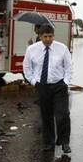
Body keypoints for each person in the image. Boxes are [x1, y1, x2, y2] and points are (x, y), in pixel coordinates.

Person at [23, 24, 72, 153]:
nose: (48, 39)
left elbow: (68, 67)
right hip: (42, 86)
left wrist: (65, 82)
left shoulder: (62, 48)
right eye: (45, 36)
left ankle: (64, 142)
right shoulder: (31, 50)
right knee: (46, 116)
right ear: (40, 36)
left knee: (63, 115)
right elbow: (27, 68)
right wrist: (35, 82)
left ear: (53, 36)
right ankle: (49, 143)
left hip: (59, 86)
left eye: (50, 36)